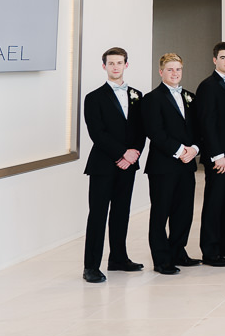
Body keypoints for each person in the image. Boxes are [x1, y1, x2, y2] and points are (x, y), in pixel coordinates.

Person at [82, 47, 145, 283]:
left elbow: (141, 130)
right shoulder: (93, 97)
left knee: (121, 213)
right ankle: (90, 266)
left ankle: (118, 258)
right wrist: (121, 154)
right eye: (111, 63)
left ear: (126, 65)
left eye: (120, 63)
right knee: (98, 215)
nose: (116, 67)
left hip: (129, 165)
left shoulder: (137, 95)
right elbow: (97, 133)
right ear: (104, 66)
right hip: (102, 166)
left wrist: (133, 155)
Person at [142, 53, 200, 274]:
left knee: (183, 211)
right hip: (163, 165)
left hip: (187, 164)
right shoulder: (151, 98)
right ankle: (161, 259)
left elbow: (197, 129)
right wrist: (179, 151)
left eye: (178, 70)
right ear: (161, 72)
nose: (175, 73)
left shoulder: (190, 97)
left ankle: (178, 251)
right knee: (161, 212)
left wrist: (194, 149)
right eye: (170, 70)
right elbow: (155, 132)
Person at [194, 42, 225, 267]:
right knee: (215, 202)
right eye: (223, 57)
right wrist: (216, 155)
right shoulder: (207, 86)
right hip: (219, 156)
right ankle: (210, 251)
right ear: (215, 60)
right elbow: (207, 124)